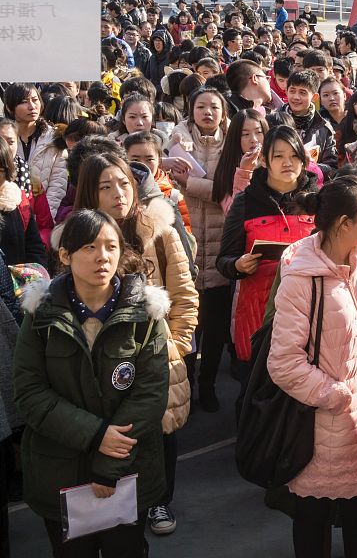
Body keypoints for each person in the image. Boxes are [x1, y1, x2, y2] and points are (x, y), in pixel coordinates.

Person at [14, 209, 170, 558]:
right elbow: (30, 392)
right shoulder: (41, 315)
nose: (103, 257)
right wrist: (97, 434)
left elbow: (150, 394)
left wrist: (109, 467)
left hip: (129, 473)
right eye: (89, 247)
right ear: (65, 255)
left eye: (111, 246)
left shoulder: (145, 313)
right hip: (59, 472)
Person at [71, 151, 199, 536]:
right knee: (114, 432)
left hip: (159, 355)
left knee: (161, 432)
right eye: (105, 187)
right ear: (89, 194)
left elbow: (185, 296)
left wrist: (174, 345)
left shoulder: (161, 232)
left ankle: (160, 501)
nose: (118, 193)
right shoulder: (76, 238)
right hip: (103, 359)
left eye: (124, 183)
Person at [268, 177, 357, 558]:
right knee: (312, 521)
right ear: (343, 224)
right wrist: (337, 396)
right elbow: (284, 363)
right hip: (323, 426)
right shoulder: (301, 276)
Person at [217, 126, 318, 387]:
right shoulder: (246, 202)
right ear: (264, 161)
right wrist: (238, 265)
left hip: (307, 307)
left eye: (294, 156)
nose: (287, 163)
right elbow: (224, 260)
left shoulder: (316, 201)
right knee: (255, 389)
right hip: (257, 309)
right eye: (278, 156)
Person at [169, 88, 230, 412]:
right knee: (189, 325)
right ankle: (188, 382)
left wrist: (189, 184)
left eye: (214, 107)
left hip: (221, 248)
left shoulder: (233, 143)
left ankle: (207, 385)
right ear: (191, 109)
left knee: (216, 329)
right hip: (186, 248)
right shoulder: (175, 143)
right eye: (201, 106)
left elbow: (228, 190)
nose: (208, 112)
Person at [3, 84, 67, 227]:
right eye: (24, 102)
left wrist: (42, 222)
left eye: (35, 100)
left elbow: (58, 185)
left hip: (44, 220)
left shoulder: (55, 138)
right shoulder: (4, 138)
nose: (32, 106)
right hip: (7, 218)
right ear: (9, 107)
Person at [0, 139, 45, 268]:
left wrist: (34, 280)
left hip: (16, 285)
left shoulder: (17, 200)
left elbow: (34, 248)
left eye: (0, 170)